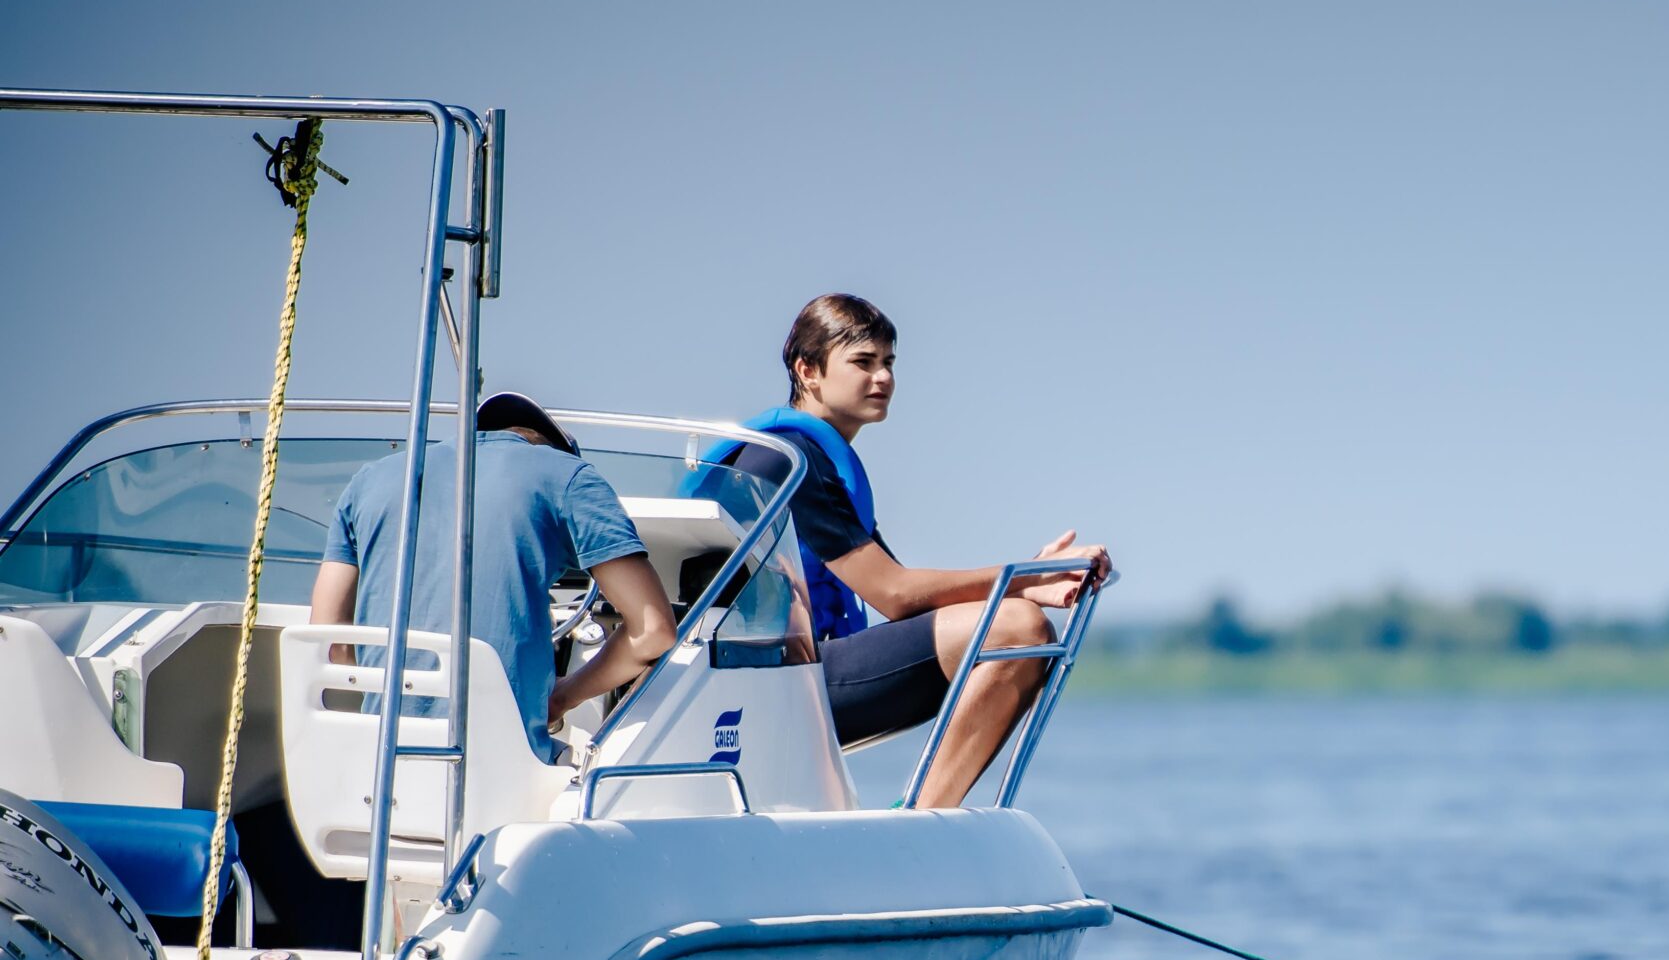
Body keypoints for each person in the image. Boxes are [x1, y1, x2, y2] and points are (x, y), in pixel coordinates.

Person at [723, 293, 1111, 808]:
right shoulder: (790, 461)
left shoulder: (806, 458)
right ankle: (924, 819)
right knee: (1018, 629)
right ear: (808, 370)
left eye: (889, 363)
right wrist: (1027, 579)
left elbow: (905, 597)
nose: (883, 377)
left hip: (778, 680)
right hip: (769, 688)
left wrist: (1028, 582)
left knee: (1014, 622)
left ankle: (921, 818)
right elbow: (896, 595)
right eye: (863, 362)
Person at [309, 393, 678, 760]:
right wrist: (562, 697)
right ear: (552, 450)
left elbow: (330, 644)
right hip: (496, 763)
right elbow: (653, 631)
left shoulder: (369, 480)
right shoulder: (568, 475)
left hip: (377, 760)